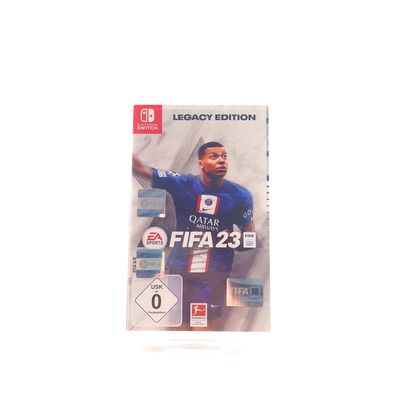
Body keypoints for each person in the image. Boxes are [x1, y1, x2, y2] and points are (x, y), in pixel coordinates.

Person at [132, 142, 255, 329]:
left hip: (214, 272)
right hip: (180, 269)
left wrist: (235, 241)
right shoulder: (182, 183)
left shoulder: (241, 196)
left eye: (224, 156)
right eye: (214, 156)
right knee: (179, 325)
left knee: (203, 324)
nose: (222, 161)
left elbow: (250, 240)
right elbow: (140, 169)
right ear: (201, 163)